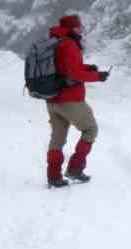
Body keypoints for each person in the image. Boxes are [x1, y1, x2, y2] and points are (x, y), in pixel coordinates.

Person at [43, 13, 108, 188]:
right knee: (90, 129)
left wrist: (88, 67)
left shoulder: (54, 41)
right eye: (78, 27)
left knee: (57, 137)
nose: (81, 30)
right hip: (69, 98)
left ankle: (53, 176)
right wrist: (97, 76)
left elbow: (65, 68)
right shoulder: (69, 44)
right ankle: (75, 168)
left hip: (52, 99)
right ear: (73, 28)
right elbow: (74, 73)